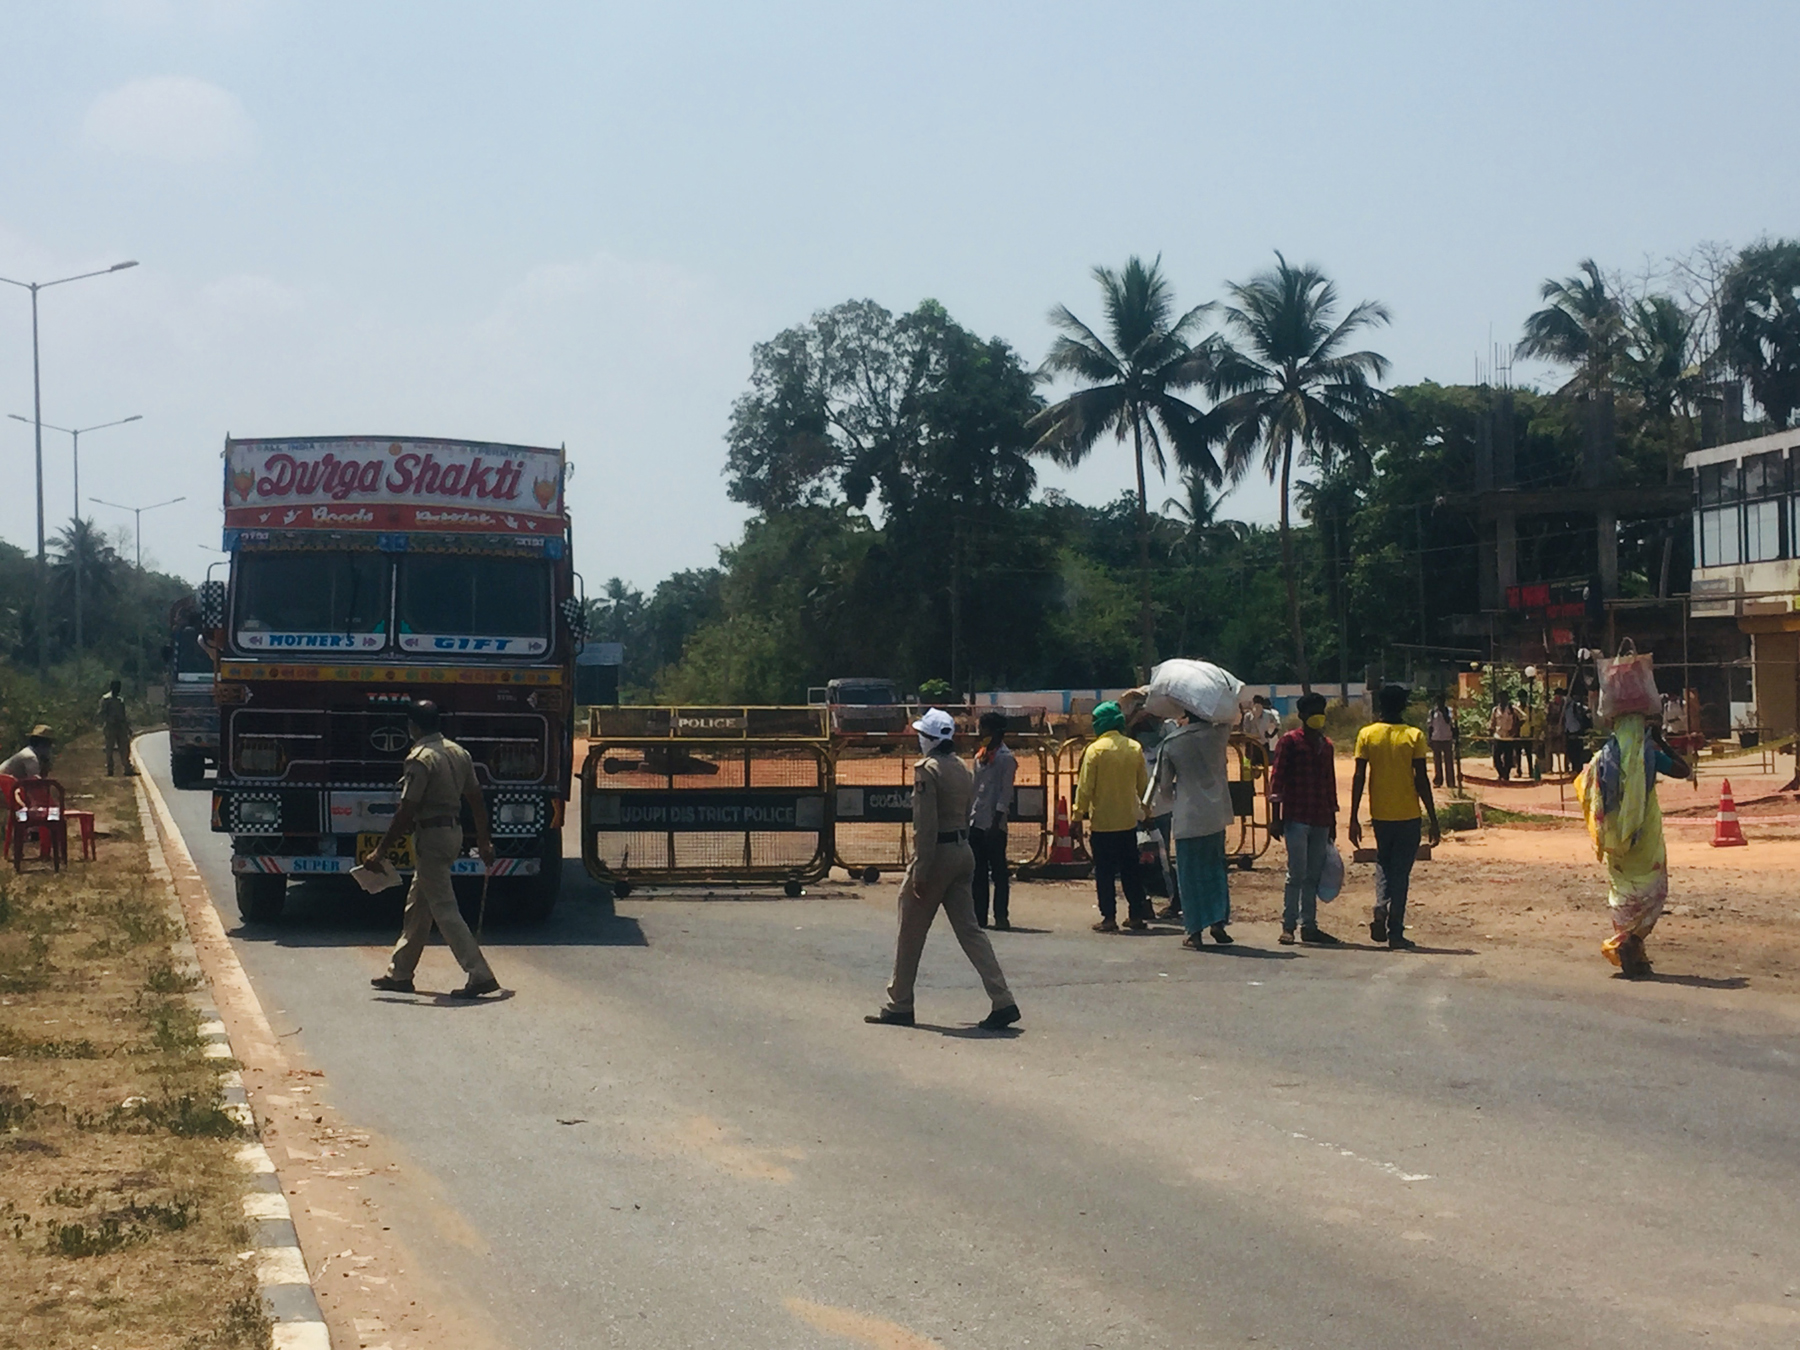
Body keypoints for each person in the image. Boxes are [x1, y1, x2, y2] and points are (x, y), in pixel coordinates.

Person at [868, 709, 1020, 1029]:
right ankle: (1002, 998)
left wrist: (921, 870)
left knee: (910, 926)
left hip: (937, 854)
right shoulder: (962, 767)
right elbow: (966, 811)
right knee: (971, 932)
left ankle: (900, 1003)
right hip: (962, 851)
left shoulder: (928, 770)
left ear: (930, 739)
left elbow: (925, 825)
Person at [366, 700, 500, 999]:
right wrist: (483, 840)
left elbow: (406, 810)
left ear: (412, 726)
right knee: (418, 905)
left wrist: (381, 850)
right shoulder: (458, 752)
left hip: (430, 836)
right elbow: (476, 800)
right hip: (453, 832)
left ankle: (479, 973)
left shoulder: (420, 758)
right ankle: (399, 973)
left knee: (443, 907)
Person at [1574, 712, 1691, 978]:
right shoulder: (1648, 756)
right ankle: (1631, 944)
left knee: (1623, 890)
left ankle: (1631, 947)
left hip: (1614, 840)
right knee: (1652, 888)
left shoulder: (1601, 758)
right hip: (1644, 837)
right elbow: (1684, 770)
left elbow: (1583, 789)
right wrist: (1662, 741)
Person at [1349, 684, 1442, 951]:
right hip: (1408, 813)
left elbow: (1359, 777)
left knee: (1383, 862)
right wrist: (1433, 818)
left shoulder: (1367, 734)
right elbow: (1421, 779)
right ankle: (1396, 931)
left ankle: (1381, 904)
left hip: (1380, 813)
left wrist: (1354, 816)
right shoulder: (1413, 735)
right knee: (1401, 872)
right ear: (1403, 706)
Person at [1146, 709, 1234, 949]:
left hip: (1189, 816)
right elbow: (1229, 716)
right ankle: (1217, 921)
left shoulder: (1173, 742)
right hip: (1217, 814)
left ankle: (1194, 930)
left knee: (1190, 874)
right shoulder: (1219, 736)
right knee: (1215, 868)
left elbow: (1164, 787)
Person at [1070, 701, 1152, 933]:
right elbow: (1143, 787)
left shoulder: (1094, 751)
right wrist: (1147, 813)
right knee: (1130, 870)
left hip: (1102, 823)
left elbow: (1084, 788)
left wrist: (1077, 816)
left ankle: (1109, 918)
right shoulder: (1134, 748)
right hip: (1127, 822)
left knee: (1105, 873)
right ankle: (1136, 915)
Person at [1267, 692, 1340, 946]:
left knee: (1313, 875)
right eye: (1312, 712)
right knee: (1296, 873)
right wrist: (1275, 818)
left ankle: (1309, 925)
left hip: (1320, 818)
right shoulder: (1289, 742)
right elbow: (1277, 780)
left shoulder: (1327, 746)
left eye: (1320, 711)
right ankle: (1288, 926)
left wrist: (1332, 819)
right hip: (1296, 817)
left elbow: (1330, 784)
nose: (1317, 717)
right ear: (1302, 716)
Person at [1129, 706, 1180, 922]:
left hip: (1159, 810)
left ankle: (1174, 900)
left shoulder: (1165, 745)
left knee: (1161, 859)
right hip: (1140, 812)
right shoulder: (1134, 751)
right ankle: (1145, 902)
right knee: (1140, 859)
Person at [969, 711, 1016, 931]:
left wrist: (996, 822)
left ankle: (1001, 916)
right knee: (977, 872)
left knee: (998, 872)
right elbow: (973, 790)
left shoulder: (1006, 759)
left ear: (995, 732)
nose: (980, 733)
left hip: (995, 824)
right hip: (976, 821)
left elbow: (1005, 794)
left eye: (984, 729)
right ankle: (979, 916)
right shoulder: (980, 757)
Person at [97, 680, 135, 777]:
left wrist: (128, 728)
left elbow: (123, 715)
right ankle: (110, 769)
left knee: (124, 747)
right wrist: (109, 719)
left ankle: (127, 768)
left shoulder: (120, 700)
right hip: (110, 726)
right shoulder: (106, 699)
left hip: (121, 726)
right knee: (109, 749)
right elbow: (101, 713)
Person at [1427, 694, 1458, 788]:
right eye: (1438, 701)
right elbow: (1430, 726)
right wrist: (1429, 739)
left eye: (1442, 701)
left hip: (1447, 738)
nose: (1440, 703)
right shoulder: (1432, 712)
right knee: (1437, 762)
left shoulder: (1449, 711)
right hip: (1436, 738)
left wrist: (1444, 712)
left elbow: (1450, 722)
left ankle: (1451, 782)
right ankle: (1438, 781)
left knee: (1449, 762)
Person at [1489, 692, 1522, 781]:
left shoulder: (1513, 709)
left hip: (1509, 737)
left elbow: (1523, 718)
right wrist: (1490, 734)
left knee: (1508, 758)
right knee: (1496, 757)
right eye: (1501, 698)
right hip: (1498, 736)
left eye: (1505, 698)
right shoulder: (1495, 710)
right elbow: (1492, 723)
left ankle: (1506, 775)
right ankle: (1501, 773)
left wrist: (1515, 729)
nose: (1503, 700)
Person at [1241, 695, 1281, 766]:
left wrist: (1271, 735)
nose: (1257, 704)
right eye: (1255, 702)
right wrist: (1247, 744)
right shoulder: (1248, 716)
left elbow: (1278, 725)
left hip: (1264, 743)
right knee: (1251, 766)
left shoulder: (1268, 715)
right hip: (1252, 744)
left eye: (1259, 702)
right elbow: (1246, 731)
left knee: (1265, 764)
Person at [1563, 686, 1594, 774]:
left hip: (1576, 731)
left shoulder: (1576, 706)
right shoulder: (1565, 707)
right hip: (1568, 731)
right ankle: (1574, 767)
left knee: (1577, 751)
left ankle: (1577, 769)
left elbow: (1586, 713)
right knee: (1570, 751)